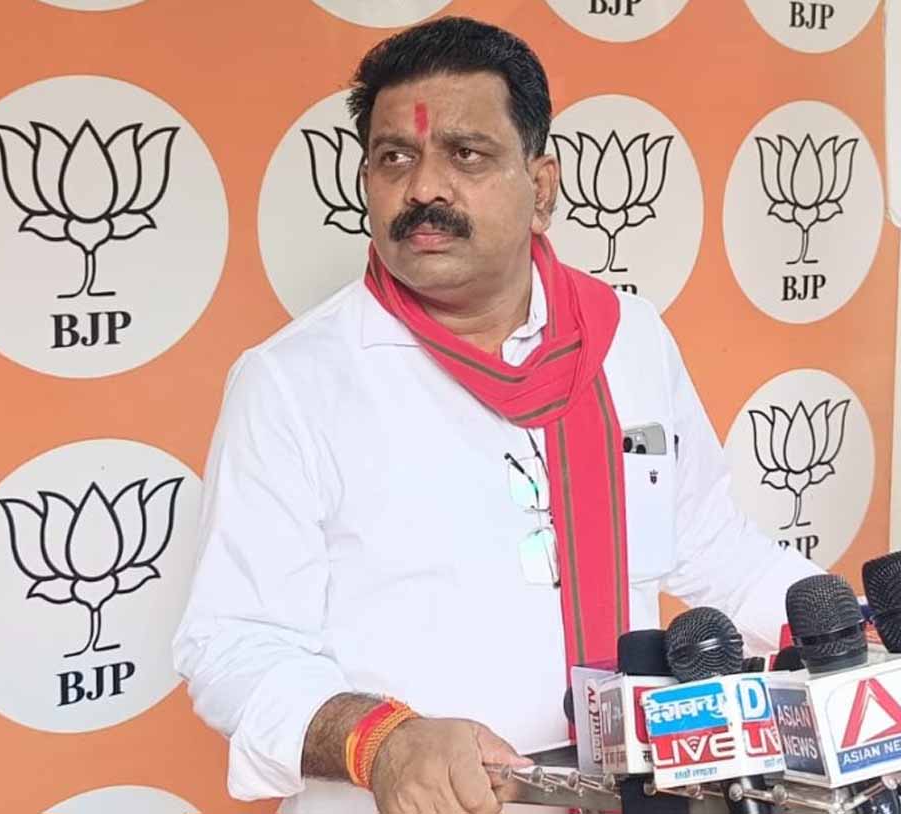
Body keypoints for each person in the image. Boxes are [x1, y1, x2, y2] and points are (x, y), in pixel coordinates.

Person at [173, 16, 820, 814]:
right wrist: (382, 741)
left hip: (637, 795)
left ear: (541, 187)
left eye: (466, 154)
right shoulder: (293, 382)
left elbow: (716, 553)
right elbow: (235, 644)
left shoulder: (627, 338)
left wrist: (850, 634)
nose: (424, 189)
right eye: (394, 158)